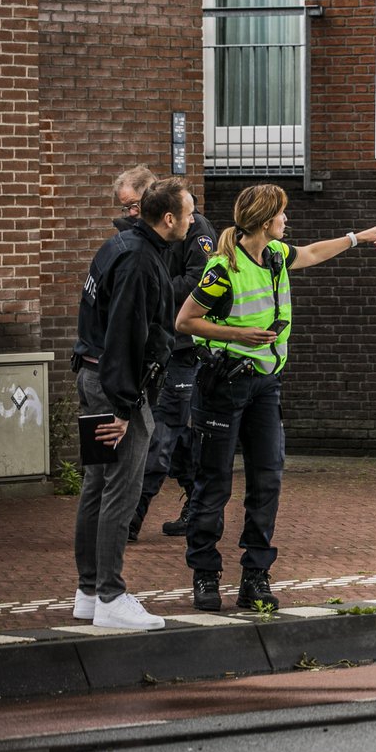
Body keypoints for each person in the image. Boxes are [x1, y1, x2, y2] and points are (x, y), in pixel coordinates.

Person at [176, 183, 376, 612]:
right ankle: (205, 575)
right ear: (263, 220)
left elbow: (310, 253)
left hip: (265, 385)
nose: (286, 221)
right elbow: (185, 321)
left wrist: (356, 238)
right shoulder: (223, 268)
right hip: (225, 385)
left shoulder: (274, 257)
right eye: (282, 215)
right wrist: (240, 334)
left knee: (267, 480)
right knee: (213, 484)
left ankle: (255, 576)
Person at [71, 176, 195, 630]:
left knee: (97, 485)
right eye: (189, 212)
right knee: (121, 488)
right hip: (116, 385)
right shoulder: (141, 261)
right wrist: (124, 409)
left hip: (92, 375)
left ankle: (88, 592)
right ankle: (110, 596)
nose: (193, 219)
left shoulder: (117, 245)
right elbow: (126, 335)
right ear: (168, 218)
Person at [111, 166, 217, 542]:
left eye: (134, 206)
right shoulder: (139, 236)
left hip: (183, 348)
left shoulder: (194, 229)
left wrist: (153, 290)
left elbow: (201, 281)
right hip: (158, 344)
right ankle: (198, 505)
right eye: (125, 208)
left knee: (161, 433)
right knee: (177, 435)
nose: (130, 215)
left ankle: (129, 520)